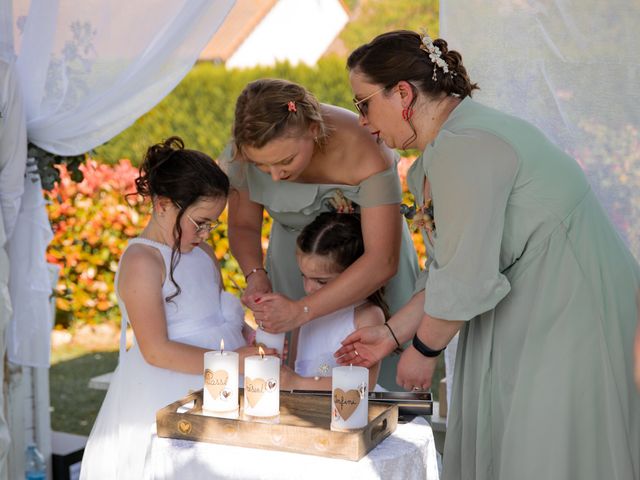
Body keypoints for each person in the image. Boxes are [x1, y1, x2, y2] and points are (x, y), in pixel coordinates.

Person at [336, 30, 640, 480]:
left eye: (363, 103)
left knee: (556, 452)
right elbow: (449, 268)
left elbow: (465, 277)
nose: (362, 121)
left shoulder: (466, 145)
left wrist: (422, 349)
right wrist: (391, 335)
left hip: (571, 309)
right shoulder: (458, 139)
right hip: (541, 306)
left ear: (402, 93)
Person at [80, 137, 273, 480]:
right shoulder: (143, 260)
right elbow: (156, 350)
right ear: (162, 204)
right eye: (200, 222)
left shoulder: (201, 252)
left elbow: (213, 313)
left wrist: (246, 332)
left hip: (223, 379)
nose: (206, 233)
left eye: (212, 224)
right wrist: (231, 361)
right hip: (170, 387)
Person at [222, 78, 419, 389]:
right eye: (262, 167)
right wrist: (256, 274)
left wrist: (303, 310)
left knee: (374, 372)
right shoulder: (247, 148)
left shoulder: (365, 146)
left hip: (368, 262)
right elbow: (243, 226)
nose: (276, 176)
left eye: (285, 161)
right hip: (297, 262)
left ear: (312, 130)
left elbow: (383, 259)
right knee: (292, 371)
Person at [279, 212, 385, 391]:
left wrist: (297, 383)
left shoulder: (366, 316)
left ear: (353, 275)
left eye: (321, 281)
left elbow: (364, 384)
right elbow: (294, 369)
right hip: (302, 409)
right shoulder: (303, 312)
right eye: (303, 276)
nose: (309, 288)